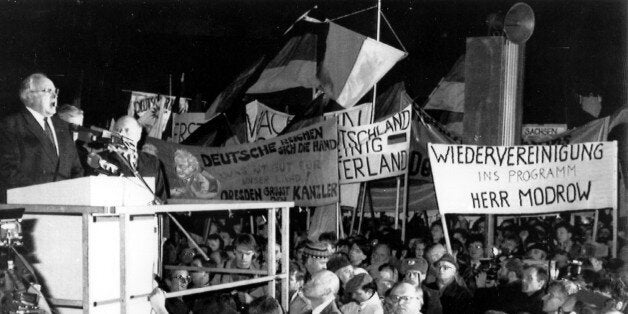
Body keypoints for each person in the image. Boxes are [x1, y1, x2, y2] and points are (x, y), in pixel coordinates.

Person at [0, 73, 83, 202]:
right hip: (30, 206)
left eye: (55, 91)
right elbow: (7, 171)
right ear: (29, 96)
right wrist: (45, 194)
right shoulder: (11, 125)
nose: (55, 95)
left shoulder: (63, 127)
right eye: (47, 91)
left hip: (66, 208)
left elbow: (76, 169)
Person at [96, 115, 167, 200]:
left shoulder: (152, 162)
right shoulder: (100, 159)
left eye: (126, 130)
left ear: (138, 134)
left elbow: (161, 198)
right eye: (117, 130)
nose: (121, 133)